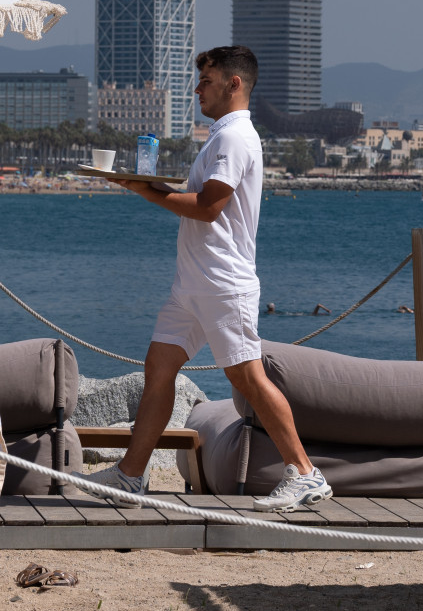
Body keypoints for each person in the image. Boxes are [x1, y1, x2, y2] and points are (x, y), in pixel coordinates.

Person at [93, 46, 331, 513]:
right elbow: (203, 202)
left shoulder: (235, 138)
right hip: (193, 284)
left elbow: (208, 207)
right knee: (159, 368)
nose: (197, 89)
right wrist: (149, 187)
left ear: (233, 83)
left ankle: (305, 473)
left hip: (223, 282)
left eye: (206, 80)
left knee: (248, 377)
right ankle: (130, 475)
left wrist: (145, 190)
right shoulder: (222, 136)